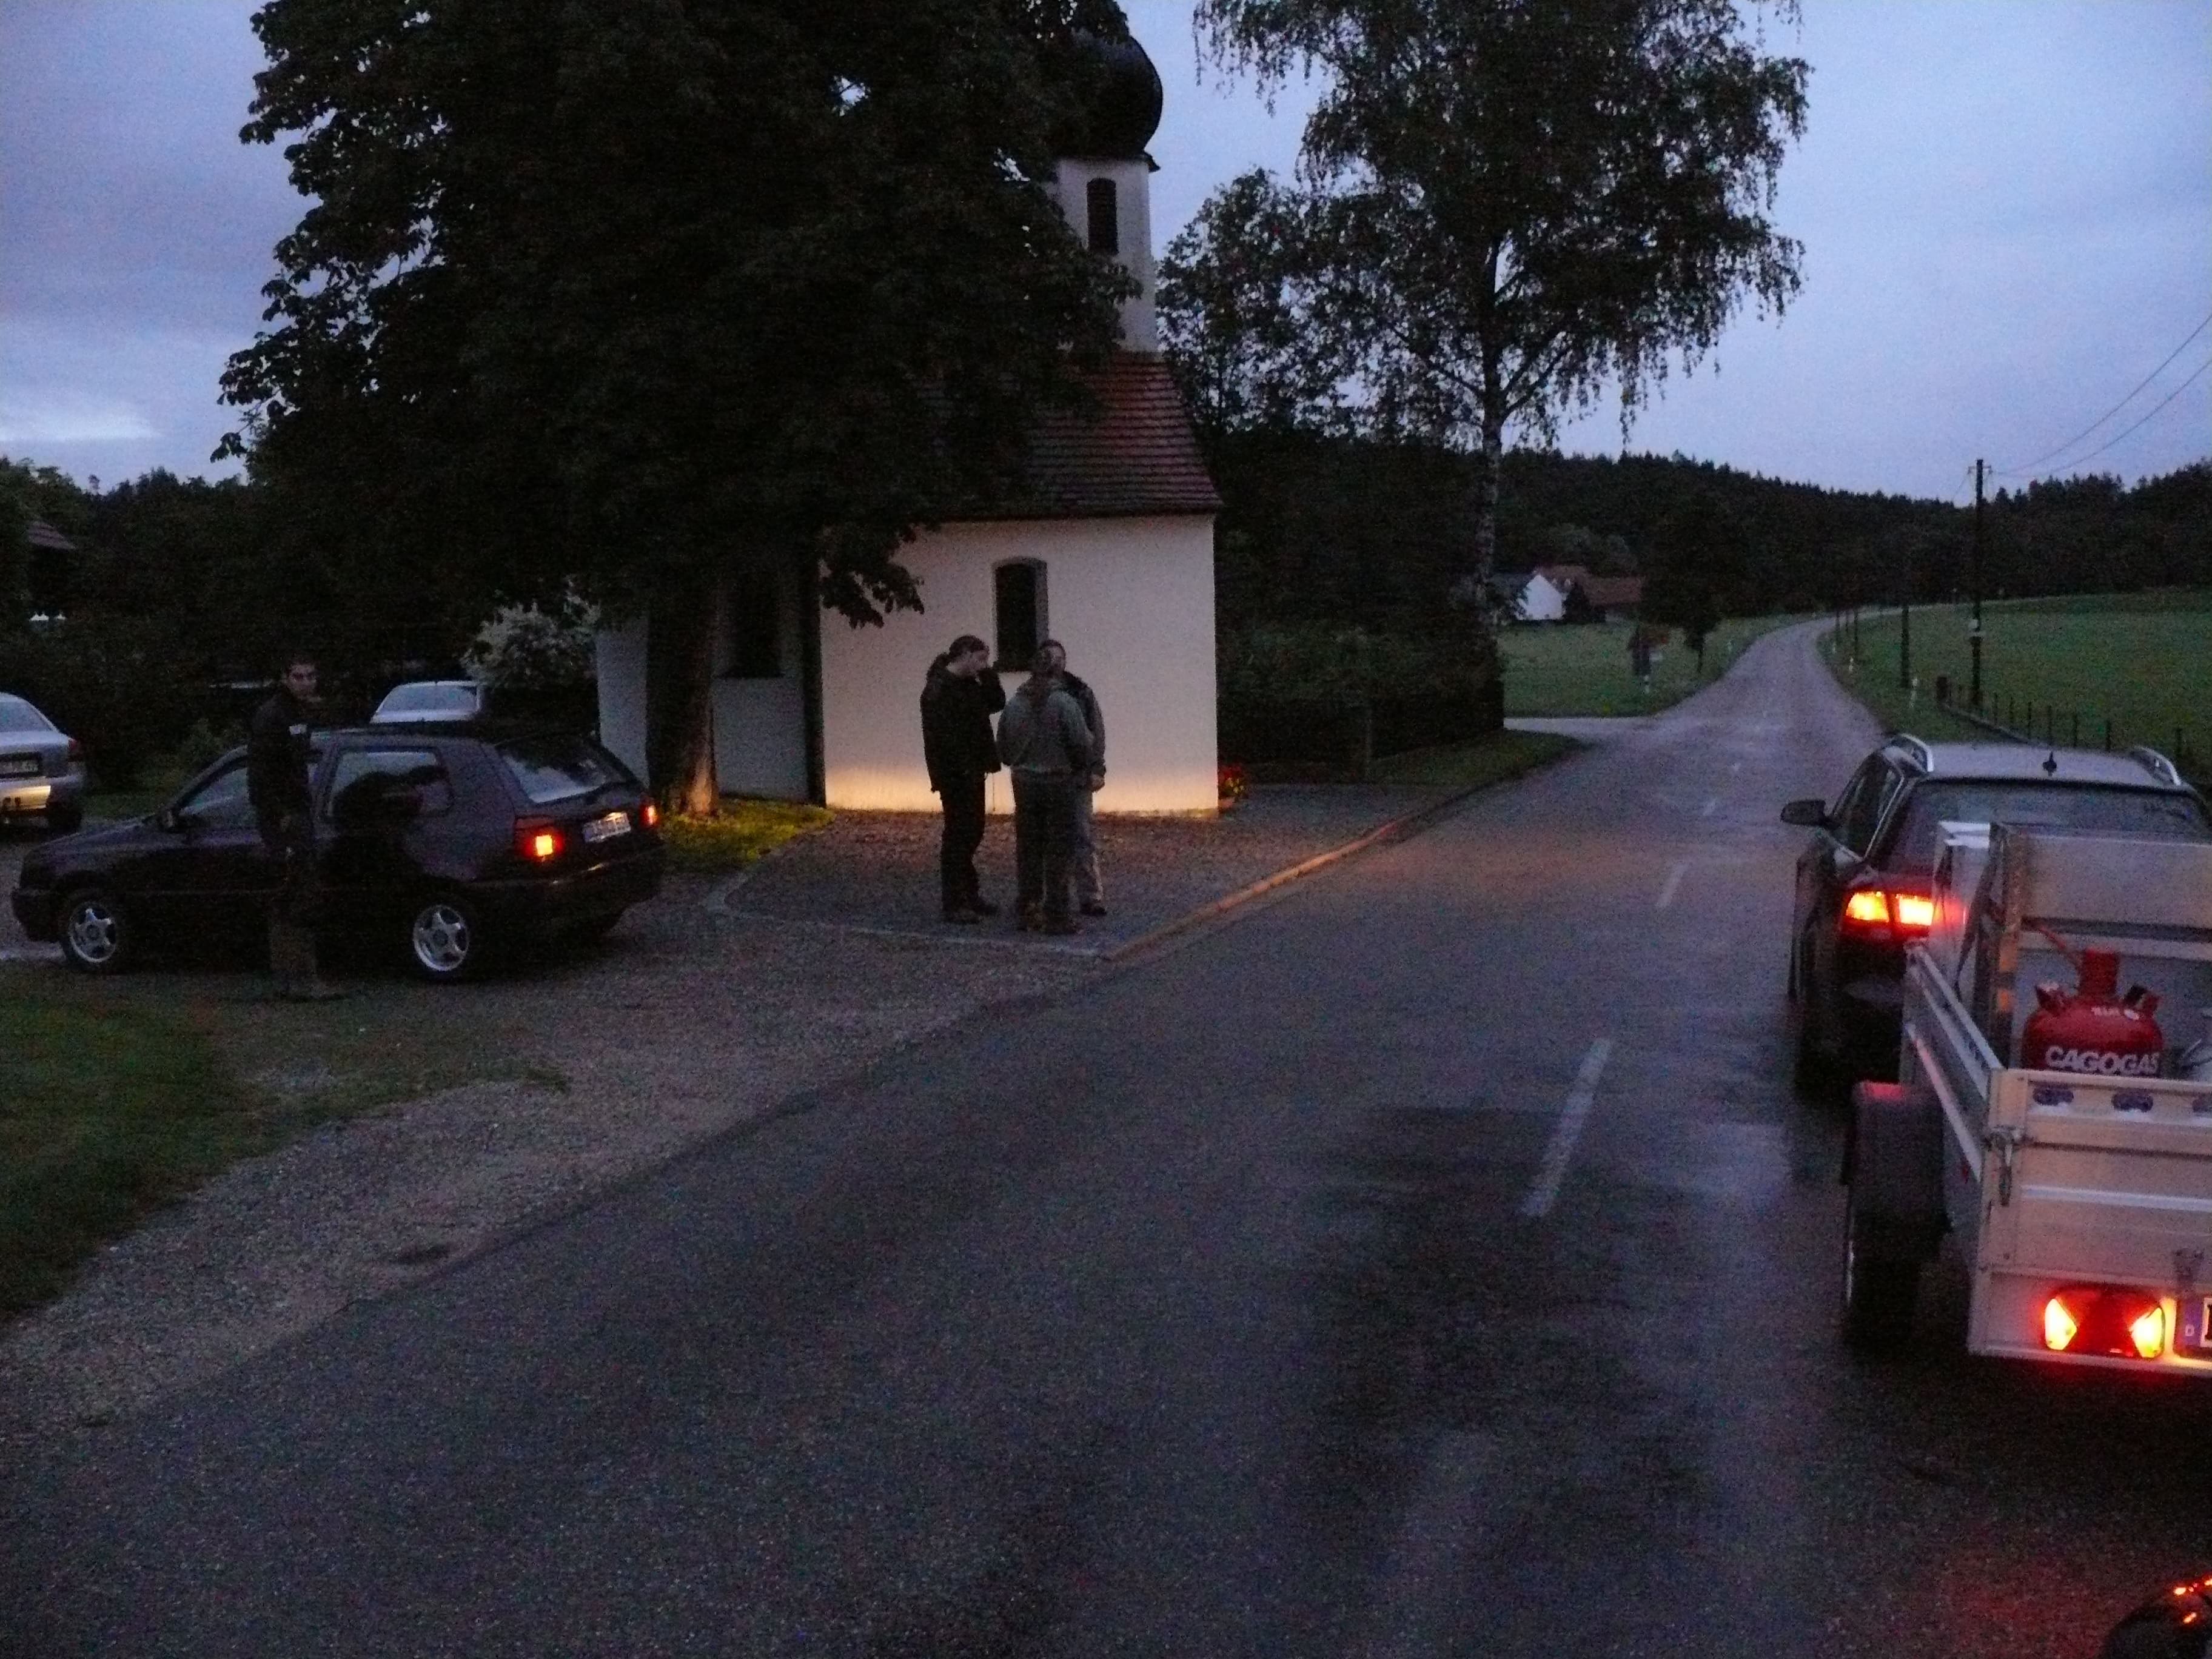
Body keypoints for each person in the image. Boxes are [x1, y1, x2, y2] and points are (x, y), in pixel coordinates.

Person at [247, 651, 342, 999]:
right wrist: (280, 816)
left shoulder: (299, 713)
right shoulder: (272, 716)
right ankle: (300, 980)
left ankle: (292, 980)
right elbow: (260, 776)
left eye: (311, 676)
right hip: (284, 819)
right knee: (298, 895)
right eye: (299, 677)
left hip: (299, 813)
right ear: (285, 678)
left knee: (294, 896)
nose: (306, 683)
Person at [994, 645, 1094, 935]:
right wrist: (1079, 767)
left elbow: (1004, 750)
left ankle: (1029, 908)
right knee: (1059, 849)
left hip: (1024, 782)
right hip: (1059, 781)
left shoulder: (1015, 704)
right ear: (1056, 670)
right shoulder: (1064, 703)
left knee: (1028, 847)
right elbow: (1081, 744)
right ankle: (1058, 914)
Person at [919, 633, 1005, 923]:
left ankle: (968, 894)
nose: (983, 664)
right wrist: (959, 769)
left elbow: (996, 702)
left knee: (973, 831)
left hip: (972, 770)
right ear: (966, 654)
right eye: (980, 658)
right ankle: (955, 901)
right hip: (955, 775)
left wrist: (987, 674)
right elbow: (941, 739)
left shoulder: (968, 684)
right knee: (959, 834)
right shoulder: (939, 690)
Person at [1041, 639, 1107, 916]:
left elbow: (1096, 731)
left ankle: (1090, 896)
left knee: (1082, 836)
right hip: (1047, 775)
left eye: (1059, 658)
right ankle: (1052, 897)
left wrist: (1097, 768)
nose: (1056, 663)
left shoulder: (1081, 692)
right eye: (1051, 658)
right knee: (1048, 838)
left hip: (1076, 774)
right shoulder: (1032, 694)